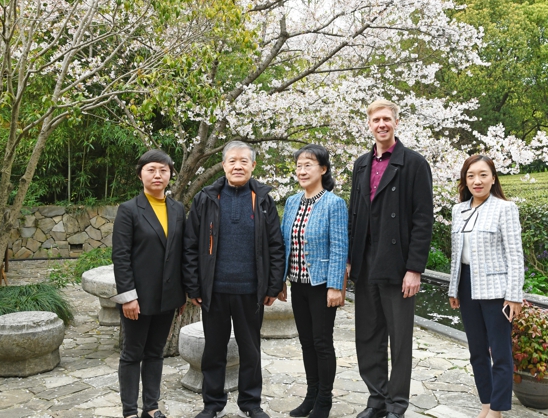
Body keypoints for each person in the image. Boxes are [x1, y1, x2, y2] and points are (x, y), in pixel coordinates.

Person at [183, 141, 286, 418]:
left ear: (253, 165)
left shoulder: (262, 200)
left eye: (244, 161)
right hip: (214, 290)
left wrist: (273, 285)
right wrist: (193, 285)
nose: (237, 166)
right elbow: (190, 245)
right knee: (213, 350)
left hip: (250, 291)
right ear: (224, 165)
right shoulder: (206, 198)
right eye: (232, 161)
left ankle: (250, 404)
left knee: (250, 351)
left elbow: (276, 245)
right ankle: (212, 404)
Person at [347, 99, 434, 418]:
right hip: (365, 260)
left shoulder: (414, 163)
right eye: (376, 120)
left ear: (396, 122)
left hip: (397, 263)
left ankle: (397, 404)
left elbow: (423, 219)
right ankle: (377, 399)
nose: (381, 124)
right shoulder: (360, 164)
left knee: (399, 338)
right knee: (368, 335)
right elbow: (354, 214)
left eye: (386, 119)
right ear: (369, 125)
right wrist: (349, 260)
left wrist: (414, 268)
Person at [448, 155, 524, 418]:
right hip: (467, 286)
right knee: (477, 352)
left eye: (483, 175)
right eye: (471, 176)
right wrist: (453, 289)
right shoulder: (458, 210)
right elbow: (456, 254)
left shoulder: (505, 208)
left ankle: (497, 410)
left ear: (493, 178)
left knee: (500, 353)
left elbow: (515, 255)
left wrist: (514, 296)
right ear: (465, 180)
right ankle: (486, 405)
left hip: (497, 290)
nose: (477, 181)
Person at [111, 149, 186, 418]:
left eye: (163, 170)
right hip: (138, 298)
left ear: (170, 175)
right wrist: (128, 297)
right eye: (151, 170)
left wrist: (181, 294)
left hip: (168, 297)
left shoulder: (177, 209)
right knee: (132, 353)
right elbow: (120, 256)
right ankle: (130, 411)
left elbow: (181, 254)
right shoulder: (129, 210)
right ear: (140, 174)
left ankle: (151, 408)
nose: (157, 175)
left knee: (155, 352)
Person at [278, 145, 348, 418]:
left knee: (322, 342)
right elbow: (284, 244)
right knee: (306, 342)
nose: (302, 170)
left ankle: (324, 401)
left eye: (308, 165)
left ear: (323, 169)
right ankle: (311, 395)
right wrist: (281, 280)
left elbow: (339, 247)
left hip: (321, 285)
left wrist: (335, 286)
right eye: (299, 166)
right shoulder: (292, 202)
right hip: (298, 284)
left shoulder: (334, 203)